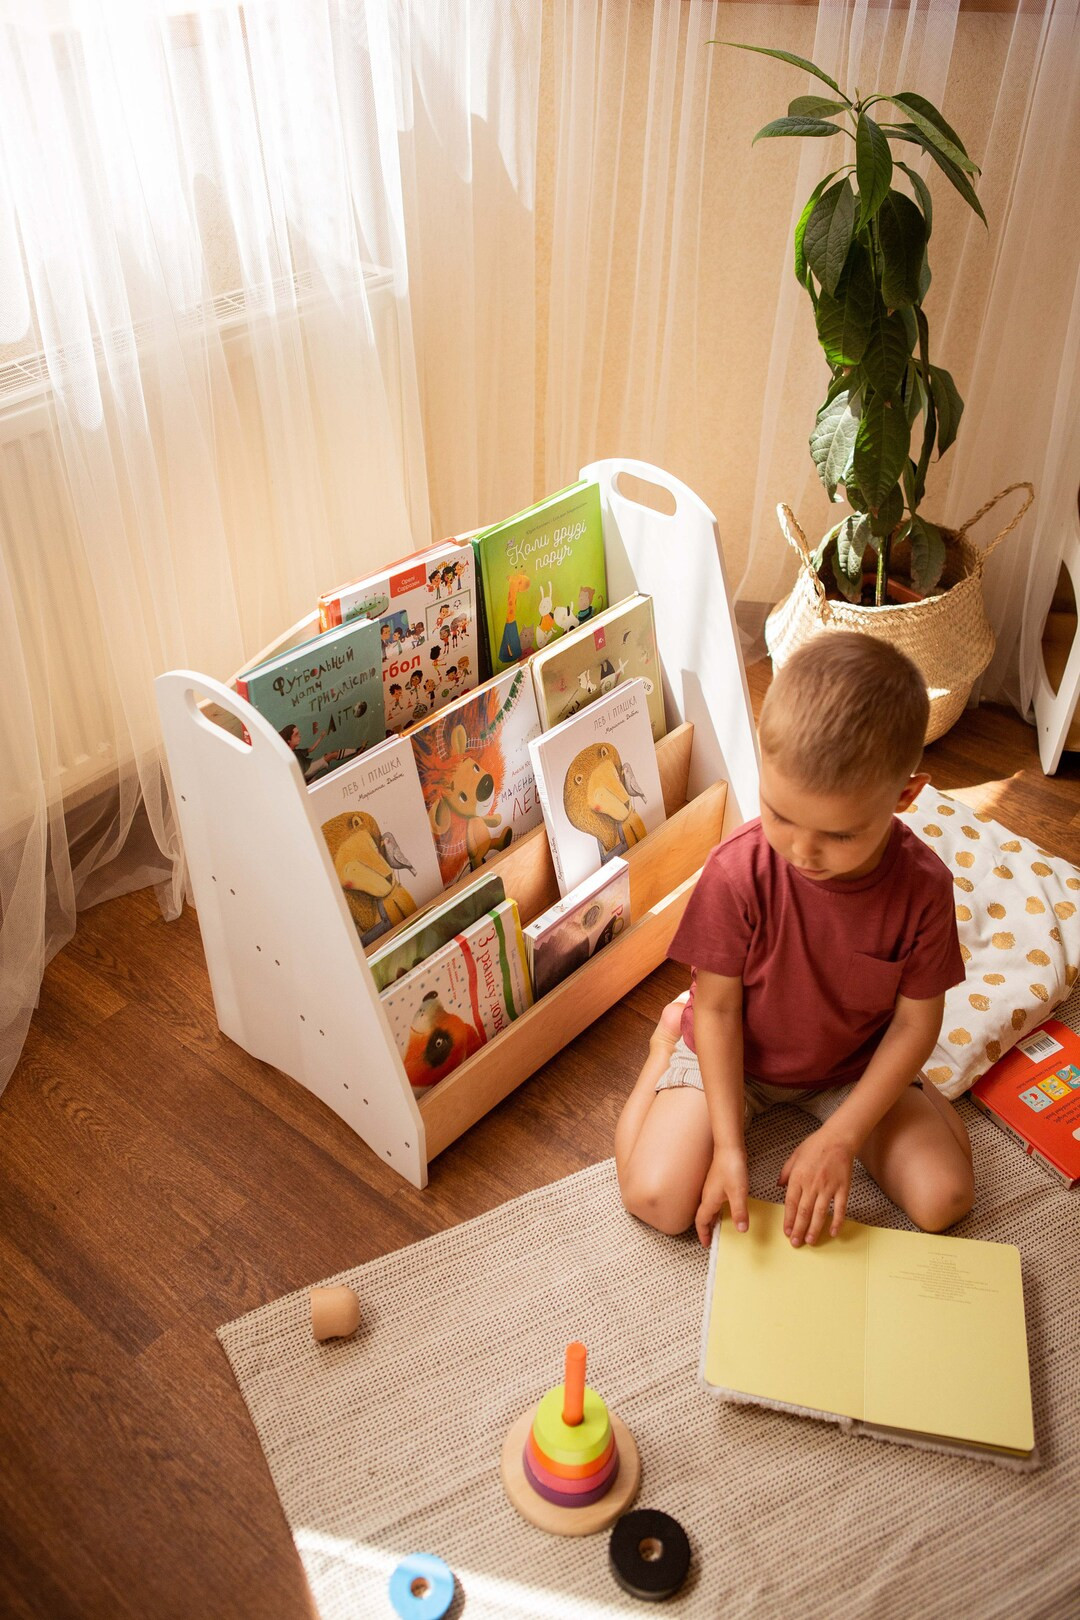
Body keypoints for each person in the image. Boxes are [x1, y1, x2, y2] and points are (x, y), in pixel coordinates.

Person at [615, 632, 974, 1250]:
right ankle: (664, 1043)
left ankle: (918, 1094)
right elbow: (722, 1010)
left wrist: (842, 1137)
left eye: (838, 835)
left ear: (906, 797)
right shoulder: (737, 872)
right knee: (655, 1197)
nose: (802, 851)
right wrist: (729, 1146)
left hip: (851, 1066)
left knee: (945, 1199)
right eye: (779, 814)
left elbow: (917, 1026)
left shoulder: (924, 889)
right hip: (734, 1056)